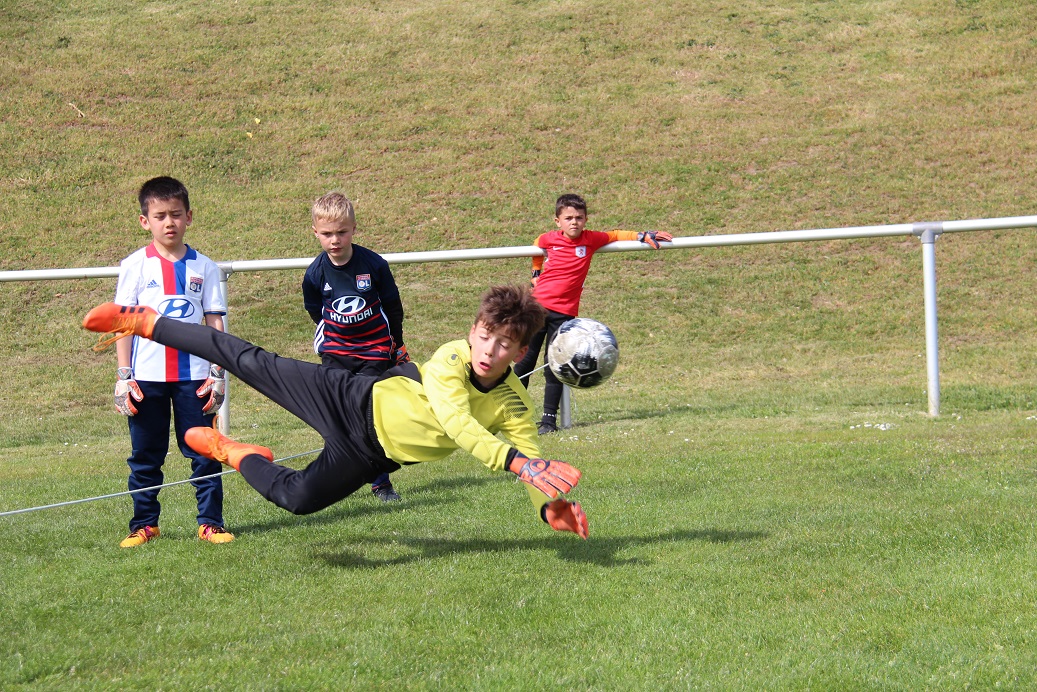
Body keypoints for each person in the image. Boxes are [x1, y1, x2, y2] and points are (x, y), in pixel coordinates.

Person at [82, 285, 589, 539]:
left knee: (298, 499)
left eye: (504, 345)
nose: (489, 350)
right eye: (485, 335)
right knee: (248, 360)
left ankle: (228, 450)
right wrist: (521, 466)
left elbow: (531, 455)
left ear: (522, 352)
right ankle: (145, 321)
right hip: (348, 397)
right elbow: (458, 423)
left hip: (372, 456)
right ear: (474, 327)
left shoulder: (513, 404)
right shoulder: (451, 358)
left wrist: (546, 507)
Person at [101, 176, 233, 548]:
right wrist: (123, 376)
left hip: (195, 377)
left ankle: (210, 522)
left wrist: (217, 372)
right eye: (160, 215)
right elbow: (123, 323)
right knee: (145, 454)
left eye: (176, 214)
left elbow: (214, 321)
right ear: (146, 221)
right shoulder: (134, 265)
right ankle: (144, 524)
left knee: (205, 450)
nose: (169, 222)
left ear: (189, 216)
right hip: (146, 377)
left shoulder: (204, 266)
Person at [514, 193, 673, 434]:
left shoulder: (591, 240)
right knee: (525, 361)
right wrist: (536, 272)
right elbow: (536, 245)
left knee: (554, 365)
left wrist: (642, 235)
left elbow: (616, 235)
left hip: (564, 314)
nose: (574, 222)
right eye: (568, 218)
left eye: (579, 217)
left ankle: (548, 421)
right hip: (536, 307)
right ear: (558, 221)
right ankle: (511, 416)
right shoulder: (549, 239)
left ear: (586, 219)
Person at [303, 191, 408, 502]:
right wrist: (336, 338)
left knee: (368, 415)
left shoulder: (374, 265)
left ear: (354, 229)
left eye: (341, 232)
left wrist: (397, 345)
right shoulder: (315, 273)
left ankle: (381, 483)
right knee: (336, 415)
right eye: (327, 234)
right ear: (316, 233)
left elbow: (393, 307)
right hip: (336, 352)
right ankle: (338, 479)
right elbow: (314, 310)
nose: (335, 240)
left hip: (375, 351)